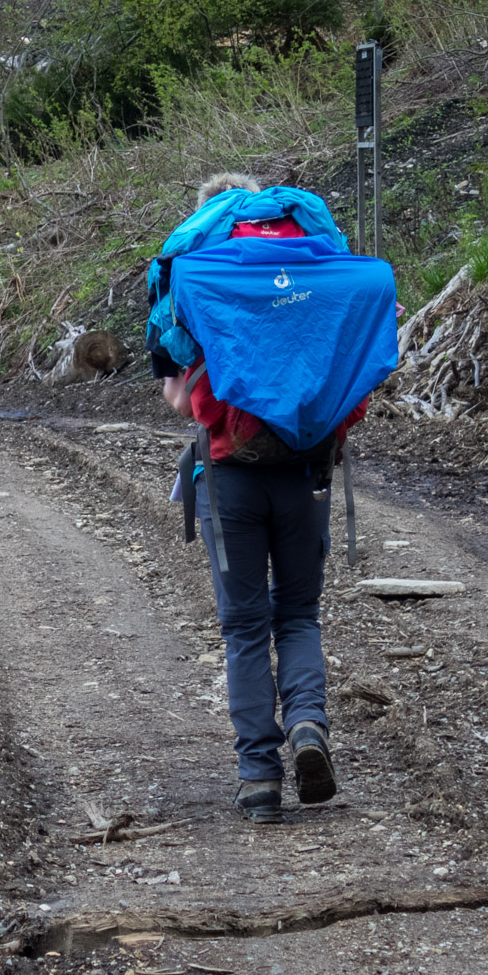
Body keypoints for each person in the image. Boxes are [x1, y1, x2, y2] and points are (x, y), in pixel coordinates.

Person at [157, 172, 374, 824]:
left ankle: (258, 775)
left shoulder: (202, 275)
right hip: (306, 471)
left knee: (245, 625)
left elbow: (176, 393)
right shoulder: (309, 275)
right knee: (300, 614)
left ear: (209, 221)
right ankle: (308, 723)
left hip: (231, 475)